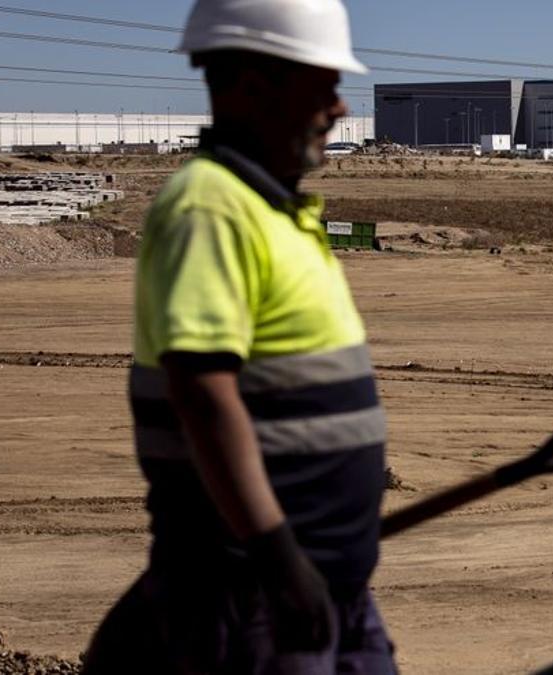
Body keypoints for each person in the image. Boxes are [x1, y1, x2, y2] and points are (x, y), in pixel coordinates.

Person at [83, 1, 396, 672]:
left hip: (322, 588)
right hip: (252, 599)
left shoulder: (271, 210)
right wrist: (277, 552)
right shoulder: (210, 206)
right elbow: (201, 388)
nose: (340, 107)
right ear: (253, 84)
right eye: (323, 84)